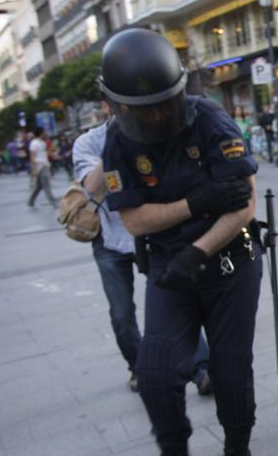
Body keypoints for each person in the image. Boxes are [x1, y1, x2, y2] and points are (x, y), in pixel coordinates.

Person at [100, 28, 262, 456]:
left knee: (230, 370)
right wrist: (196, 202)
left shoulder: (210, 120)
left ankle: (237, 454)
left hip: (229, 260)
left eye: (161, 105)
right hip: (171, 271)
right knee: (154, 374)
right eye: (141, 108)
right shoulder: (118, 142)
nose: (153, 116)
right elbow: (134, 219)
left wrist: (200, 249)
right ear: (116, 103)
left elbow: (244, 204)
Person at [74, 107, 213, 395]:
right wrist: (117, 140)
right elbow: (91, 186)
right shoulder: (88, 142)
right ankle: (138, 367)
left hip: (149, 234)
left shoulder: (152, 132)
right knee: (122, 314)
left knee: (176, 298)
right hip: (109, 240)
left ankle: (201, 370)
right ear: (106, 106)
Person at [27, 128, 58, 209]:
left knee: (39, 186)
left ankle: (31, 201)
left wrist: (52, 154)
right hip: (39, 166)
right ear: (41, 133)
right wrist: (34, 169)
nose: (45, 133)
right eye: (44, 132)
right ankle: (53, 202)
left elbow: (45, 154)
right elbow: (32, 157)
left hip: (44, 165)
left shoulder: (43, 143)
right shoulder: (34, 143)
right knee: (46, 185)